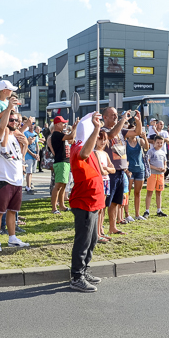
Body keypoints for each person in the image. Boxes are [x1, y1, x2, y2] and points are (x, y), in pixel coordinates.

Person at [69, 112, 105, 292]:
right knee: (83, 241)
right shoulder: (78, 147)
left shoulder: (86, 147)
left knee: (92, 239)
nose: (97, 136)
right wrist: (96, 128)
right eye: (94, 132)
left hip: (93, 201)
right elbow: (83, 154)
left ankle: (83, 270)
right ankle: (77, 276)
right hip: (84, 202)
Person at [0, 98, 30, 252]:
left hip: (17, 181)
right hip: (3, 180)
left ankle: (12, 238)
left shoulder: (15, 137)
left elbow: (19, 159)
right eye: (11, 120)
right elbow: (2, 126)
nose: (14, 122)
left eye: (16, 120)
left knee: (13, 211)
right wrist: (8, 108)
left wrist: (25, 145)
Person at [100, 108, 142, 236]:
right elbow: (112, 134)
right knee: (105, 202)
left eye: (116, 115)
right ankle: (100, 229)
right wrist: (123, 119)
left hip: (121, 171)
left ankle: (113, 227)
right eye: (112, 115)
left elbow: (137, 132)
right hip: (109, 172)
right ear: (105, 117)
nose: (115, 117)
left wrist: (138, 121)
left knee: (115, 202)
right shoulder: (103, 131)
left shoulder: (121, 131)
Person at [49, 116, 78, 214]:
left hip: (65, 162)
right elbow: (71, 137)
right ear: (57, 124)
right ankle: (54, 208)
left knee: (63, 185)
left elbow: (70, 139)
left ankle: (62, 206)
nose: (64, 125)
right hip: (60, 162)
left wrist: (73, 129)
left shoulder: (60, 134)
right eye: (62, 123)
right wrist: (74, 128)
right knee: (58, 186)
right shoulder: (56, 134)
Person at [93, 131, 114, 243]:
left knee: (102, 208)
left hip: (106, 181)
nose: (102, 142)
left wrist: (107, 169)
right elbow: (101, 171)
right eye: (100, 139)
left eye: (104, 139)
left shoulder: (105, 154)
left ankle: (100, 230)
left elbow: (113, 169)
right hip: (99, 181)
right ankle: (96, 233)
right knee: (98, 208)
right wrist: (107, 170)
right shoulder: (94, 153)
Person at [126, 125, 148, 220]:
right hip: (129, 170)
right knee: (127, 193)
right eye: (132, 130)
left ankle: (137, 214)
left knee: (138, 192)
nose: (134, 132)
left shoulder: (140, 141)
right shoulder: (125, 142)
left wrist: (145, 137)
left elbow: (146, 148)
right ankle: (127, 214)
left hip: (140, 169)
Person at [144, 136, 168, 218]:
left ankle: (159, 210)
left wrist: (164, 168)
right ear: (154, 142)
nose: (159, 144)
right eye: (158, 142)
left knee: (159, 192)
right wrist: (156, 168)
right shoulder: (151, 151)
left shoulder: (163, 152)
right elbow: (147, 163)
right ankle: (147, 210)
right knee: (150, 192)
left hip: (160, 175)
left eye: (161, 143)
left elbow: (165, 163)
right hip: (152, 174)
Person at [23, 117, 38, 194]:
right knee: (29, 172)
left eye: (33, 124)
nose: (32, 125)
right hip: (28, 155)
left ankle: (28, 186)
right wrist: (32, 154)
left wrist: (37, 154)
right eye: (31, 124)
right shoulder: (26, 133)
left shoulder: (35, 134)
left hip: (34, 155)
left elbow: (37, 145)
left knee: (31, 172)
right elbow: (25, 146)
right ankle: (28, 187)